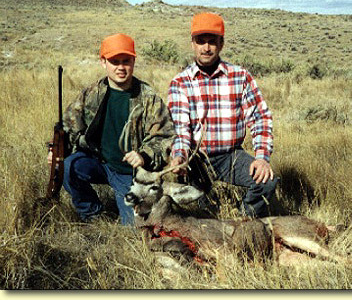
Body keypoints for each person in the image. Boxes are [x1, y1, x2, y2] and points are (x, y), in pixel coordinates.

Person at [47, 33, 176, 225]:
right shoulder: (92, 93)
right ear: (103, 62)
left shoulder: (149, 98)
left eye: (126, 61)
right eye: (114, 61)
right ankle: (92, 214)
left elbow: (165, 136)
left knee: (135, 229)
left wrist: (144, 155)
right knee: (69, 166)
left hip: (129, 173)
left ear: (134, 61)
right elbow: (68, 127)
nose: (121, 67)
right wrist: (54, 150)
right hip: (98, 162)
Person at [167, 13, 278, 218]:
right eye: (201, 41)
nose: (206, 47)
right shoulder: (180, 83)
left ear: (221, 43)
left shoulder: (240, 76)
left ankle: (244, 223)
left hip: (231, 156)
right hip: (196, 160)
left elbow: (260, 118)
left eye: (212, 41)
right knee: (200, 214)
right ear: (193, 43)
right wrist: (180, 156)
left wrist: (262, 158)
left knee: (267, 181)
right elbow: (180, 130)